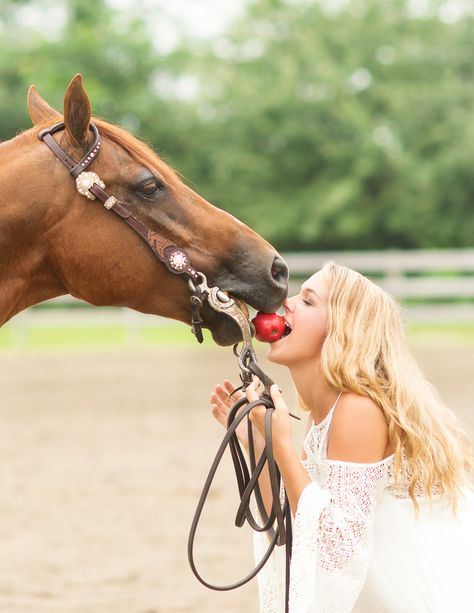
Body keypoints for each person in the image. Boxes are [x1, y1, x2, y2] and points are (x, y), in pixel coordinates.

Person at [210, 260, 474, 613]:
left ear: (341, 331)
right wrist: (259, 441)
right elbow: (293, 523)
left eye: (308, 300)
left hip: (429, 596)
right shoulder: (325, 416)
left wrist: (284, 444)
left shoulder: (358, 409)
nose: (285, 302)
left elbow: (338, 547)